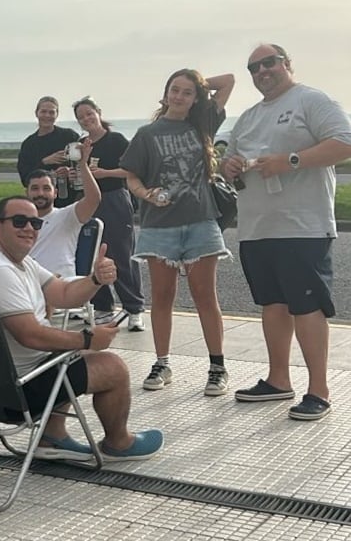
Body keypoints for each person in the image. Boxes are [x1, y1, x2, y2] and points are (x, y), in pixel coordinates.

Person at [0, 196, 163, 461]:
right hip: (16, 391)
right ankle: (119, 444)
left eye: (35, 223)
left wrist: (95, 279)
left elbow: (64, 294)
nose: (29, 229)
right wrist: (86, 339)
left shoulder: (17, 262)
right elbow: (30, 335)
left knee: (70, 354)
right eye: (19, 221)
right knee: (113, 368)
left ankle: (52, 437)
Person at [222, 44, 351, 420]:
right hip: (257, 227)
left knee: (306, 305)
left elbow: (344, 141)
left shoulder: (310, 100)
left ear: (286, 64)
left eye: (269, 62)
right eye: (253, 67)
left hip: (302, 226)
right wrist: (229, 166)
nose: (262, 70)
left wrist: (290, 161)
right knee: (272, 304)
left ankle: (319, 390)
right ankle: (278, 380)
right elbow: (229, 157)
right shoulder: (247, 117)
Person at [120, 69, 235, 397]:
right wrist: (147, 195)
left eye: (187, 92)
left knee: (205, 296)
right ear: (165, 92)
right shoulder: (147, 134)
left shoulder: (203, 124)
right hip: (159, 226)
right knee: (162, 297)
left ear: (196, 98)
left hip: (200, 221)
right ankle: (162, 362)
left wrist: (200, 84)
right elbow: (131, 177)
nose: (179, 96)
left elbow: (227, 80)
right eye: (175, 90)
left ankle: (217, 366)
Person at [73, 96, 145, 331]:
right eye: (81, 117)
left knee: (122, 255)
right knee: (94, 255)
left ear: (98, 113)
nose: (86, 119)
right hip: (90, 203)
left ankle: (134, 308)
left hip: (115, 199)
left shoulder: (116, 140)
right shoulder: (81, 144)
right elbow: (80, 172)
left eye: (89, 114)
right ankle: (102, 306)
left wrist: (104, 173)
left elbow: (131, 170)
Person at [25, 139, 100, 281]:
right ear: (26, 193)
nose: (40, 193)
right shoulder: (18, 222)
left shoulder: (67, 215)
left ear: (55, 193)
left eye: (46, 188)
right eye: (35, 188)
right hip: (26, 287)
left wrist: (82, 165)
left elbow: (93, 199)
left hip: (61, 288)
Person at [16, 96, 80, 207]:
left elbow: (83, 162)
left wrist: (70, 171)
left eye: (51, 112)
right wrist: (45, 163)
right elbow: (25, 178)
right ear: (36, 113)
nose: (47, 116)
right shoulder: (29, 144)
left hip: (72, 199)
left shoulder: (69, 136)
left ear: (57, 115)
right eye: (43, 111)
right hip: (42, 202)